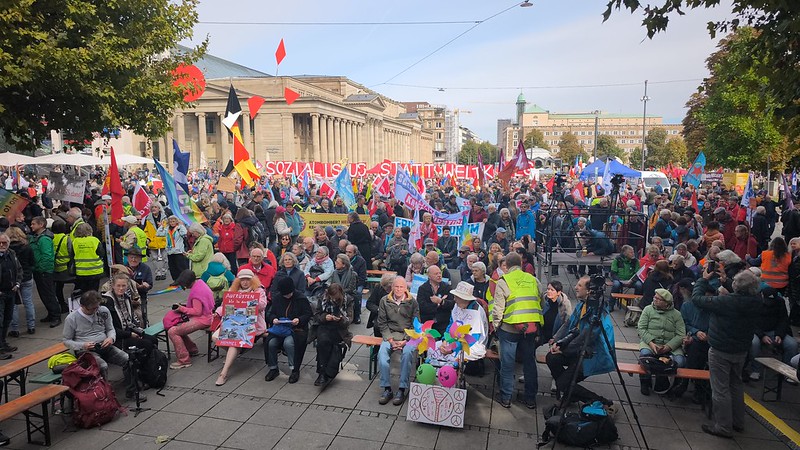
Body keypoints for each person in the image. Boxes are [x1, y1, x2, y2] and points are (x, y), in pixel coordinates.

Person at [691, 265, 763, 438]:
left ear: (737, 286)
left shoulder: (725, 302)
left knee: (720, 389)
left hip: (720, 349)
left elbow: (697, 299)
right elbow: (743, 292)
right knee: (736, 385)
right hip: (741, 349)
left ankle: (723, 426)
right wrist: (729, 281)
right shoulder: (757, 300)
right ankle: (738, 422)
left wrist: (703, 279)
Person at [546, 276, 616, 408]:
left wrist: (563, 348)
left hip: (593, 355)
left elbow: (587, 336)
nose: (575, 288)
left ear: (589, 291)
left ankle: (601, 402)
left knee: (562, 383)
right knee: (551, 358)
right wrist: (557, 340)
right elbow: (568, 325)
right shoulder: (581, 305)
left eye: (579, 286)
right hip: (577, 350)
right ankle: (569, 395)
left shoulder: (598, 311)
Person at [491, 252, 543, 409]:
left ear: (506, 265)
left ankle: (506, 397)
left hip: (509, 328)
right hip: (531, 328)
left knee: (507, 363)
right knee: (529, 363)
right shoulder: (533, 280)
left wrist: (496, 326)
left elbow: (498, 308)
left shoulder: (504, 281)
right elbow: (540, 298)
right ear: (521, 264)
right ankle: (530, 399)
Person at [62, 290, 137, 397]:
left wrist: (111, 338)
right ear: (83, 306)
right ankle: (105, 395)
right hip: (86, 350)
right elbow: (66, 341)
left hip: (105, 345)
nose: (95, 310)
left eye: (97, 307)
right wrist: (83, 345)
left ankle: (132, 391)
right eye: (92, 309)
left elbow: (110, 329)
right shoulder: (71, 319)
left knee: (129, 360)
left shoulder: (103, 311)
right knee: (102, 366)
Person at [100, 273, 155, 400]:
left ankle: (146, 373)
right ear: (112, 286)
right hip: (117, 338)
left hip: (128, 331)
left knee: (151, 339)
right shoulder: (107, 302)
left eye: (123, 286)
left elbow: (130, 320)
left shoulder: (126, 298)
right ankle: (137, 376)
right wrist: (131, 334)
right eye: (118, 286)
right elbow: (111, 328)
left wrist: (139, 332)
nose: (121, 288)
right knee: (146, 345)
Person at [213, 269, 268, 386]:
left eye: (248, 279)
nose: (245, 282)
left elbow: (263, 305)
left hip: (250, 324)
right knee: (215, 337)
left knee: (234, 343)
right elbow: (224, 306)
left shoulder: (258, 290)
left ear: (252, 280)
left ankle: (223, 373)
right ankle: (233, 355)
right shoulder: (233, 290)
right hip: (232, 322)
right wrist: (217, 313)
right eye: (242, 280)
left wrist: (251, 299)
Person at [376, 276, 419, 406]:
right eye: (396, 287)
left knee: (407, 354)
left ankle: (402, 388)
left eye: (401, 287)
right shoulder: (384, 301)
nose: (399, 289)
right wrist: (390, 340)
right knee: (382, 355)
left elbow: (415, 324)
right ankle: (387, 388)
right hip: (391, 335)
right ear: (392, 287)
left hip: (408, 336)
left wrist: (406, 340)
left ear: (406, 288)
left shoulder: (413, 302)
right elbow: (382, 323)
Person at [637, 289, 687, 395]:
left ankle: (673, 385)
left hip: (670, 344)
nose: (655, 300)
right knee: (645, 356)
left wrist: (668, 347)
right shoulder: (648, 310)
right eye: (655, 297)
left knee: (680, 362)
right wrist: (651, 343)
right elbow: (641, 328)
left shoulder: (676, 314)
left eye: (658, 299)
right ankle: (645, 382)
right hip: (650, 342)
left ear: (666, 302)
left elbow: (681, 334)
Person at [265, 277, 312, 384]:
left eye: (289, 294)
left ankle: (294, 369)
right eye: (285, 294)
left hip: (296, 329)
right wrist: (274, 319)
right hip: (280, 328)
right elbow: (270, 313)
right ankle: (273, 368)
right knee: (271, 343)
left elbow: (308, 314)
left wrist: (299, 320)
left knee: (289, 343)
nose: (287, 296)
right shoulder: (278, 298)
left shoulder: (301, 298)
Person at [748, 285, 798, 383]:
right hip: (757, 332)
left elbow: (783, 320)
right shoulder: (754, 302)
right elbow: (750, 322)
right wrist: (762, 335)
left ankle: (787, 371)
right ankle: (756, 369)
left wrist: (779, 334)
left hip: (774, 331)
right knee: (754, 344)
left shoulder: (780, 302)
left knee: (792, 344)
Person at [168, 269, 215, 369]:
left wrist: (181, 308)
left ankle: (184, 360)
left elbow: (197, 311)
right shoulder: (201, 284)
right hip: (209, 315)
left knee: (173, 331)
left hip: (203, 319)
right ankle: (192, 349)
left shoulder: (196, 293)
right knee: (180, 329)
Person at [313, 283, 351, 387]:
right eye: (332, 297)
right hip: (325, 325)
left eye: (336, 297)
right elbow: (317, 315)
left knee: (333, 343)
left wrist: (340, 319)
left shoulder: (348, 300)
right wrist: (325, 317)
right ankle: (322, 372)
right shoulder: (323, 298)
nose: (334, 299)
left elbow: (349, 319)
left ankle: (327, 372)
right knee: (323, 342)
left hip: (340, 328)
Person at [29, 216, 60, 327]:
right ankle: (51, 314)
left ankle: (56, 316)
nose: (31, 226)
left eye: (33, 224)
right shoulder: (37, 238)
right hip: (39, 270)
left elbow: (47, 257)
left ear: (41, 225)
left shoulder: (44, 239)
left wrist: (41, 269)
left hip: (44, 271)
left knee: (49, 294)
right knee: (44, 294)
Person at [6, 226, 37, 335]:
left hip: (12, 279)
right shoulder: (27, 247)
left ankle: (15, 328)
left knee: (13, 304)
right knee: (28, 302)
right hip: (27, 276)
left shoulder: (8, 250)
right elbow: (32, 262)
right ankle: (31, 326)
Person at [416, 265, 453, 336]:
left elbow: (452, 304)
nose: (439, 275)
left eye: (440, 273)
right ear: (429, 276)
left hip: (443, 323)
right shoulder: (422, 289)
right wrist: (438, 304)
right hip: (428, 323)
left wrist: (441, 301)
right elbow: (422, 307)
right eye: (436, 274)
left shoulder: (447, 288)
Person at [0, 234, 21, 359]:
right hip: (1, 293)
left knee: (7, 319)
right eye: (0, 243)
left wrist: (17, 284)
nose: (2, 245)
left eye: (4, 243)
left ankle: (3, 343)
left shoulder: (11, 253)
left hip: (11, 292)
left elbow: (19, 270)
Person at [72, 223, 104, 293]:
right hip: (95, 271)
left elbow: (72, 255)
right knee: (93, 292)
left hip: (81, 272)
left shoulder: (75, 241)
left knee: (83, 292)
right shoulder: (95, 240)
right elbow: (101, 253)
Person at [157, 215, 189, 282]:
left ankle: (183, 280)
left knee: (180, 267)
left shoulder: (179, 228)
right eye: (170, 221)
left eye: (173, 221)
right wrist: (162, 226)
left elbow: (184, 233)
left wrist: (181, 226)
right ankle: (175, 280)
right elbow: (158, 234)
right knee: (172, 267)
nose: (172, 223)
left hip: (178, 251)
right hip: (170, 251)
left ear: (176, 221)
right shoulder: (167, 229)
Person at [540, 281, 573, 345]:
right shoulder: (544, 300)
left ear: (558, 292)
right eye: (548, 289)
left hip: (556, 334)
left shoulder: (565, 304)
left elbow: (567, 323)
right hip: (543, 332)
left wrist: (556, 338)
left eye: (552, 290)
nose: (549, 291)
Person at [51, 219, 73, 314]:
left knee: (58, 288)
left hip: (54, 267)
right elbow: (71, 251)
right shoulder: (66, 238)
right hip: (65, 267)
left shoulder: (50, 238)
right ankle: (72, 303)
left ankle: (62, 304)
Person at [345, 244, 367, 324]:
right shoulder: (343, 260)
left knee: (357, 294)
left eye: (350, 252)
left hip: (358, 283)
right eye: (346, 252)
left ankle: (357, 315)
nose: (347, 254)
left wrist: (355, 286)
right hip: (345, 283)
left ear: (355, 253)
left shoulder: (361, 261)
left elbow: (362, 277)